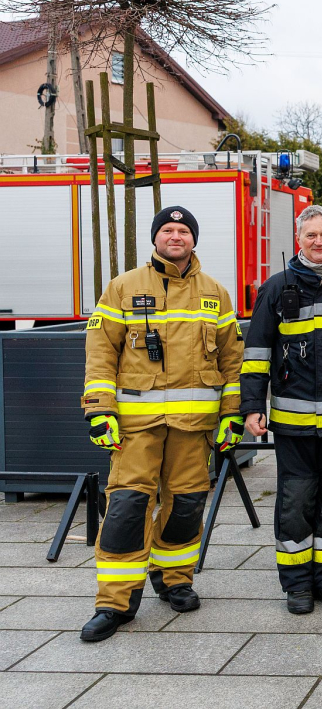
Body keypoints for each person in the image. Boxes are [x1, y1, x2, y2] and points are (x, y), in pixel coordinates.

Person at [80, 206, 243, 642]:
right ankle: (114, 602)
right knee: (127, 506)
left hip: (194, 427)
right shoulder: (123, 287)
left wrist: (232, 415)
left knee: (187, 506)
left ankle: (174, 580)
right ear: (155, 238)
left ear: (194, 239)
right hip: (135, 427)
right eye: (167, 230)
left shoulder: (215, 293)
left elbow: (232, 361)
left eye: (183, 230)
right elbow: (100, 353)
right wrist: (99, 409)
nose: (176, 236)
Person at [241, 205, 322, 615]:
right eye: (311, 235)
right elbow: (256, 354)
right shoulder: (276, 287)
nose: (319, 241)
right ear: (298, 239)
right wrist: (252, 406)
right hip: (293, 426)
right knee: (295, 503)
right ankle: (297, 584)